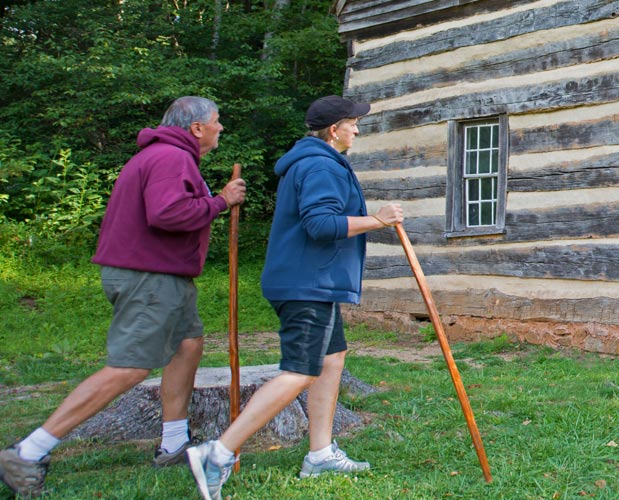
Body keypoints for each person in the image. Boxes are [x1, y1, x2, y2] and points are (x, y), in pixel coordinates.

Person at [0, 97, 247, 498]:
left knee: (188, 345)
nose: (222, 128)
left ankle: (172, 443)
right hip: (148, 277)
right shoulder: (170, 157)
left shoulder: (166, 154)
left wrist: (215, 201)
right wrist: (220, 202)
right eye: (217, 122)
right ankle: (28, 451)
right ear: (197, 127)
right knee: (129, 367)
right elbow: (167, 213)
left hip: (165, 276)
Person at [187, 96, 401, 500]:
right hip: (308, 284)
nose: (357, 130)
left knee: (331, 358)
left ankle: (320, 453)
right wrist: (378, 220)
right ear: (334, 129)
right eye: (352, 123)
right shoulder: (319, 164)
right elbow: (320, 224)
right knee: (300, 370)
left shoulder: (314, 161)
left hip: (314, 281)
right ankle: (217, 452)